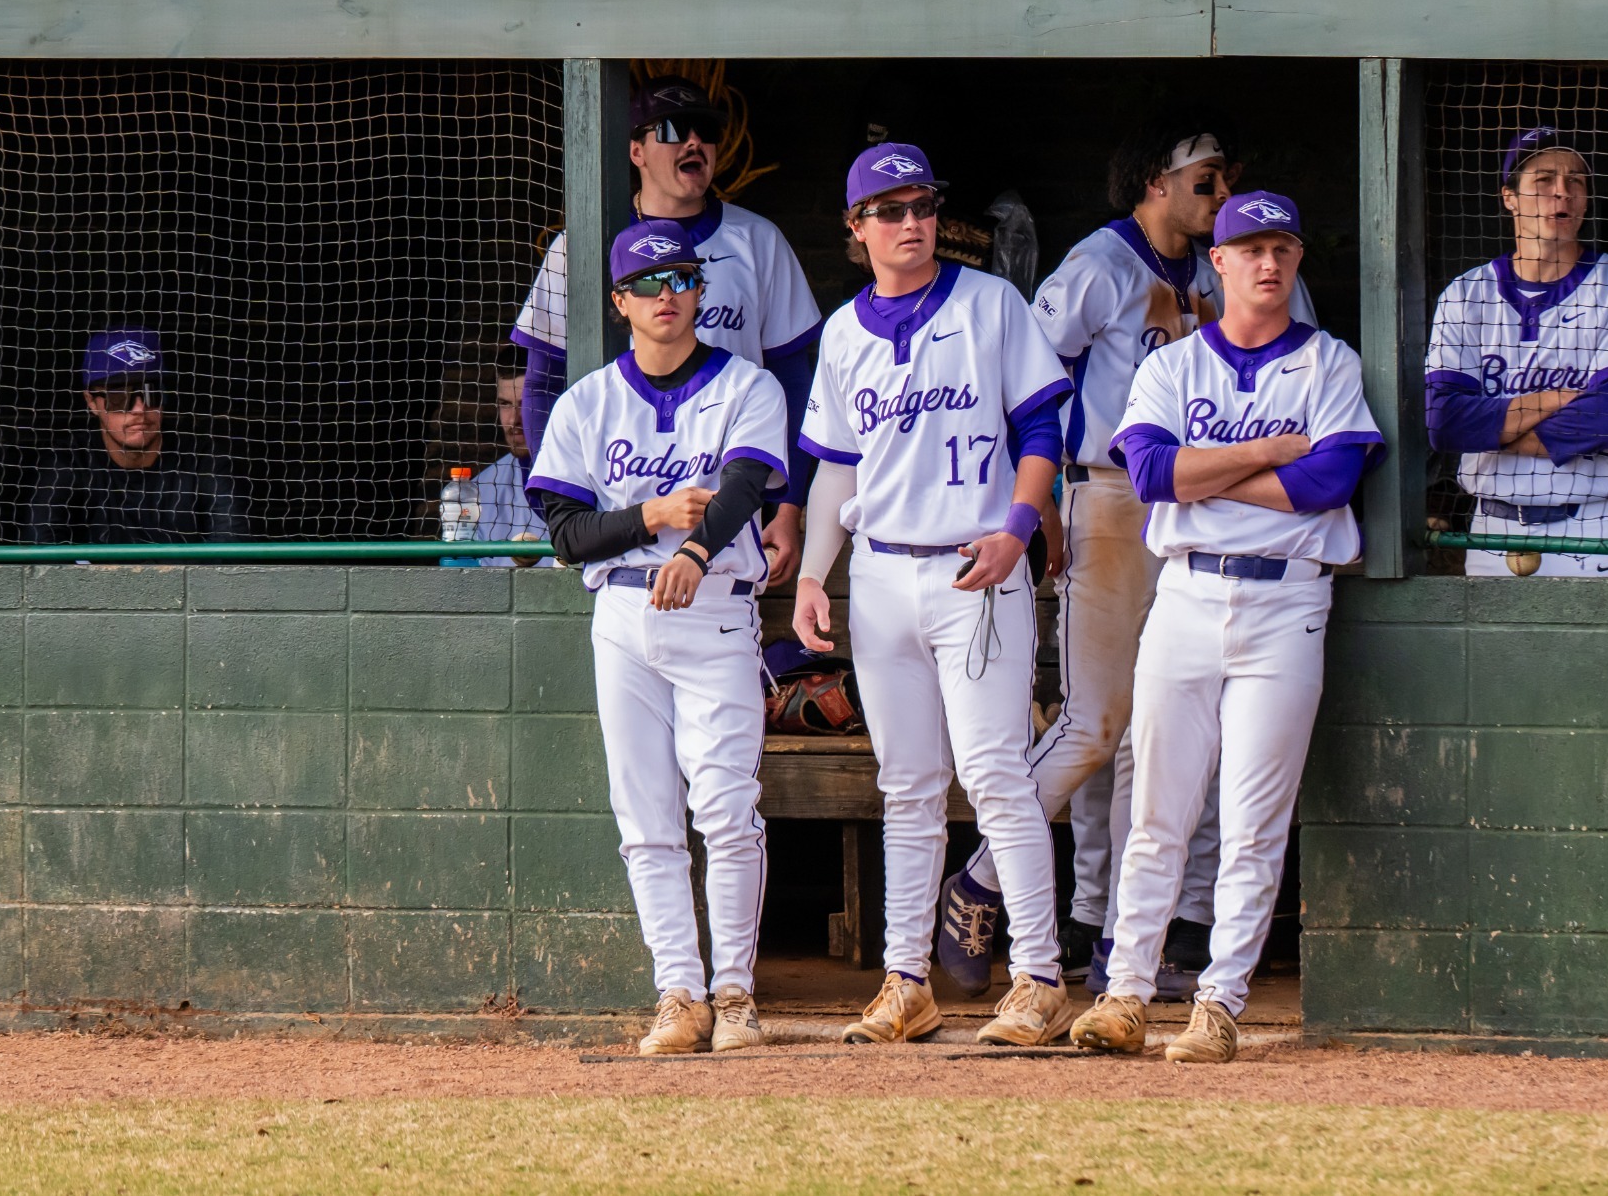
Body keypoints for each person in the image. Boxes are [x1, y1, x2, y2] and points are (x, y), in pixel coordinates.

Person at [939, 115, 1300, 1003]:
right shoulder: (1102, 263)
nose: (1219, 196)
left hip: (1206, 503)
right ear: (1156, 184)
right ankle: (982, 877)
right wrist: (1046, 500)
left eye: (1227, 180)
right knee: (1096, 721)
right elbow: (1031, 378)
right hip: (1109, 491)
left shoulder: (1221, 273)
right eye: (1205, 181)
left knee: (1153, 734)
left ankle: (1111, 944)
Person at [1069, 192, 1382, 1064]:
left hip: (1288, 601)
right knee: (1158, 812)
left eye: (1282, 247)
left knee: (1252, 817)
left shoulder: (1328, 363)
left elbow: (1329, 484)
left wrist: (1210, 477)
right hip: (1188, 594)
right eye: (1249, 248)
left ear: (1296, 259)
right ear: (1220, 261)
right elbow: (1150, 472)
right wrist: (1264, 453)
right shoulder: (1171, 367)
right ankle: (1126, 992)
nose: (1267, 263)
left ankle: (1219, 1000)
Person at [793, 143, 1075, 1047]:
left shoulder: (991, 304)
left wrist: (1022, 529)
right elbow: (837, 467)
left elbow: (1040, 424)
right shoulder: (841, 333)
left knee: (994, 774)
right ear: (856, 228)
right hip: (878, 570)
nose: (910, 221)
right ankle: (905, 980)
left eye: (921, 205)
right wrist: (810, 573)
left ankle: (1037, 976)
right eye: (889, 208)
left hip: (976, 564)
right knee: (907, 784)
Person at [525, 219, 790, 1056]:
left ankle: (737, 992)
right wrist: (651, 516)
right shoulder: (588, 401)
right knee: (645, 817)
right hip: (624, 618)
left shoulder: (749, 385)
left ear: (700, 292)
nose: (666, 297)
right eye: (648, 286)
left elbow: (748, 483)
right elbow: (567, 536)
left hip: (714, 606)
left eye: (680, 281)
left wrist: (697, 543)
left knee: (725, 807)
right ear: (619, 303)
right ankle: (678, 993)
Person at [512, 75, 821, 583]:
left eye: (706, 131)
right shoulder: (582, 244)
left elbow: (795, 384)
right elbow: (543, 382)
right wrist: (564, 512)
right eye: (675, 129)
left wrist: (787, 509)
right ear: (636, 150)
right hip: (620, 505)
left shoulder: (757, 240)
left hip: (729, 505)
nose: (695, 142)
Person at [1424, 127, 1608, 577]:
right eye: (1544, 180)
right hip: (1492, 527)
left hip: (1596, 524)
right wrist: (1553, 400)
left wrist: (1493, 426)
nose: (1563, 193)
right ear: (1509, 197)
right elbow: (1445, 424)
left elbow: (1607, 421)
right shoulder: (1465, 294)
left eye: (1576, 181)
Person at [26, 329, 247, 545]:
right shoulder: (71, 460)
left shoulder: (201, 458)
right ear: (91, 401)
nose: (139, 409)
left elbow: (232, 545)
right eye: (119, 396)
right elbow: (41, 545)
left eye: (152, 392)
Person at [471, 364, 552, 568]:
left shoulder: (588, 474)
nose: (514, 419)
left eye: (526, 405)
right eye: (505, 404)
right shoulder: (477, 493)